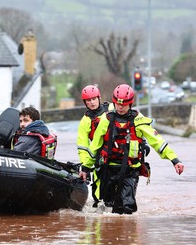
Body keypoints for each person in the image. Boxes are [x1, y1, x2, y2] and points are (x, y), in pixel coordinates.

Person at [79, 84, 185, 214]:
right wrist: (85, 168)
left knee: (127, 206)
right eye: (118, 104)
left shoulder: (139, 120)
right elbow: (94, 146)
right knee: (108, 206)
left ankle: (127, 231)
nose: (120, 107)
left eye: (124, 104)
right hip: (109, 168)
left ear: (130, 103)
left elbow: (157, 141)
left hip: (130, 169)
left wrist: (174, 159)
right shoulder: (106, 120)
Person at [77, 85, 110, 207]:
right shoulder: (85, 121)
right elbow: (83, 147)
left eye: (94, 99)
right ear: (85, 102)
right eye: (88, 100)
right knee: (98, 196)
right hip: (98, 157)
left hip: (117, 153)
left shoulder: (111, 109)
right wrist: (86, 167)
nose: (92, 102)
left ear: (99, 98)